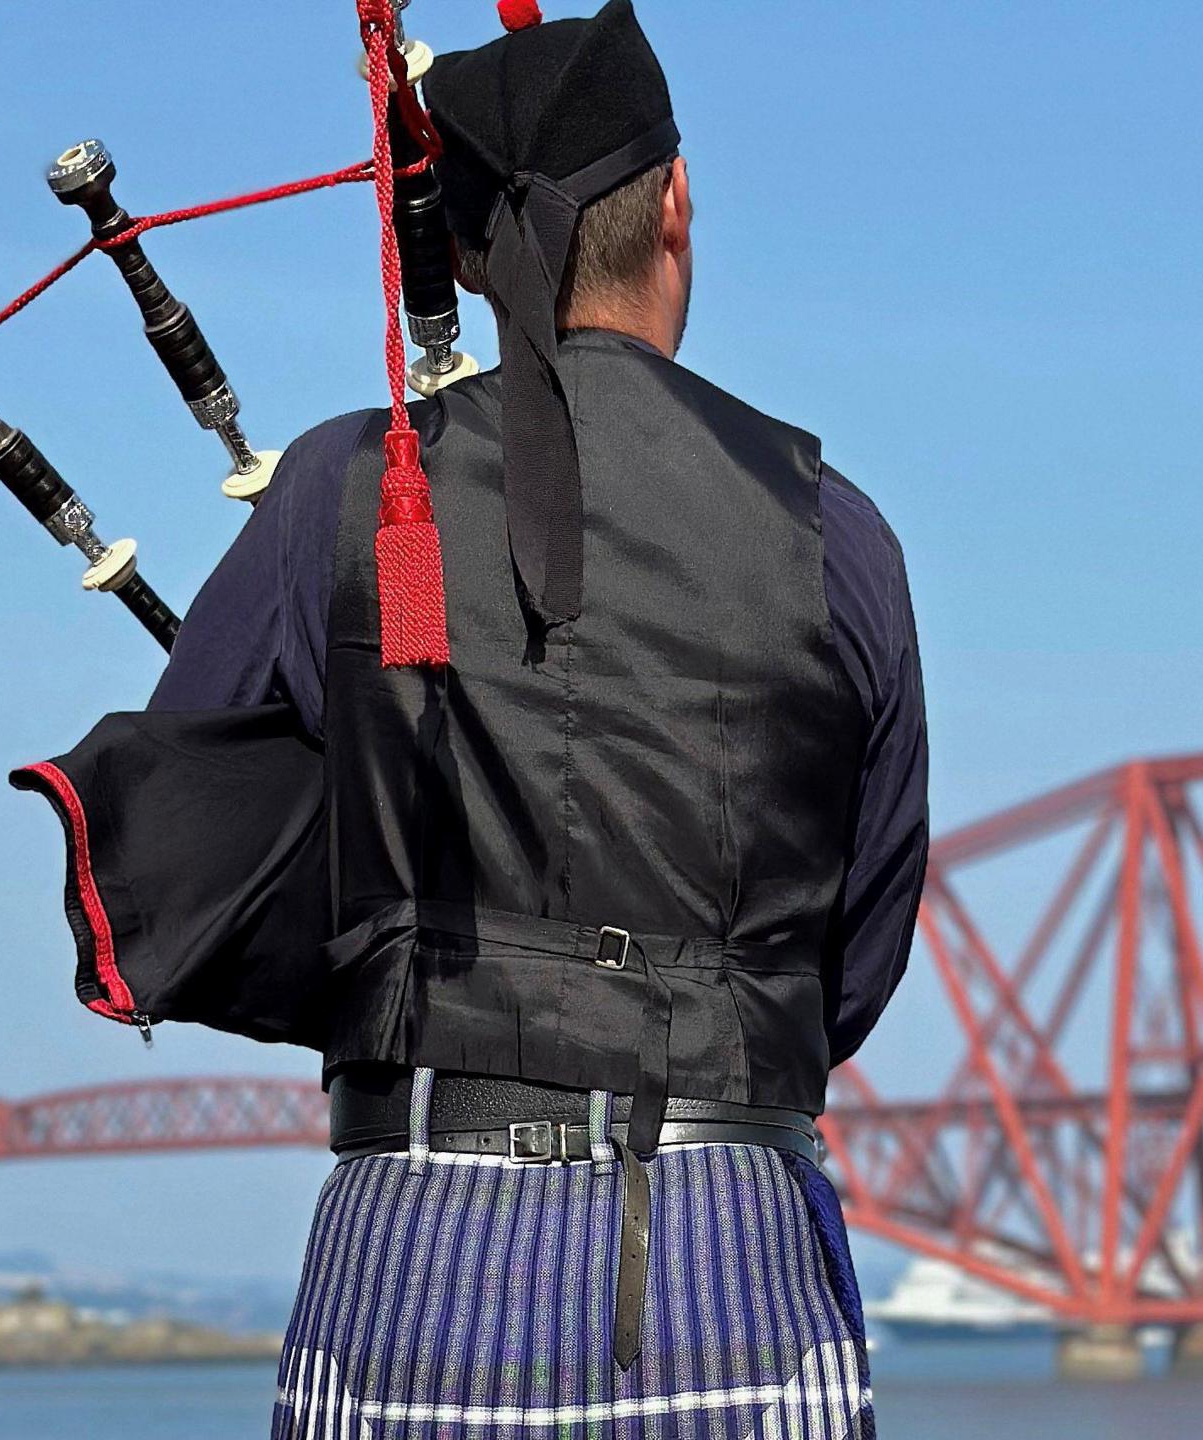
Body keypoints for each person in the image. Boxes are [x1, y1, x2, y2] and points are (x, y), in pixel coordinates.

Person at [151, 4, 927, 1433]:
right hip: (731, 1258)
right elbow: (854, 965)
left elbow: (187, 871)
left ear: (455, 246)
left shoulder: (337, 495)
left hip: (413, 1268)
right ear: (677, 202)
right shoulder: (836, 533)